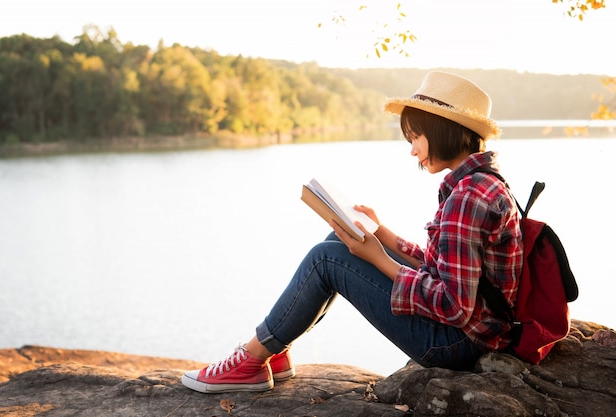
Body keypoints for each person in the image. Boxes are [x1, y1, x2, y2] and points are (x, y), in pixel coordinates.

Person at [181, 71, 523, 394]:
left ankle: (252, 359)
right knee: (338, 241)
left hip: (455, 343)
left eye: (416, 137)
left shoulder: (467, 196)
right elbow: (446, 269)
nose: (413, 150)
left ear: (444, 130)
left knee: (326, 258)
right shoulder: (481, 183)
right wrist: (384, 236)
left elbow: (453, 305)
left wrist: (379, 258)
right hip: (473, 332)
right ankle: (274, 346)